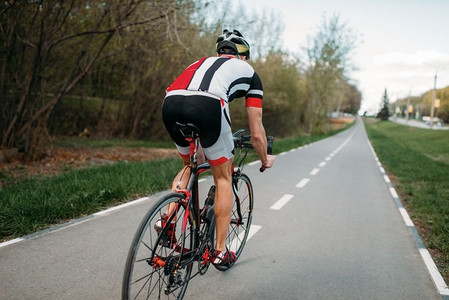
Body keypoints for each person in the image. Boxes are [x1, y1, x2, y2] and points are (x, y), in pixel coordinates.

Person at [161, 29, 275, 267]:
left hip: (171, 102)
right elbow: (256, 132)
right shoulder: (250, 73)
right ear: (243, 56)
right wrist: (265, 159)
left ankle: (168, 222)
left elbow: (184, 92)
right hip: (209, 104)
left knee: (189, 165)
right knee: (223, 177)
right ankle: (220, 251)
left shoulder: (199, 62)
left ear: (219, 53)